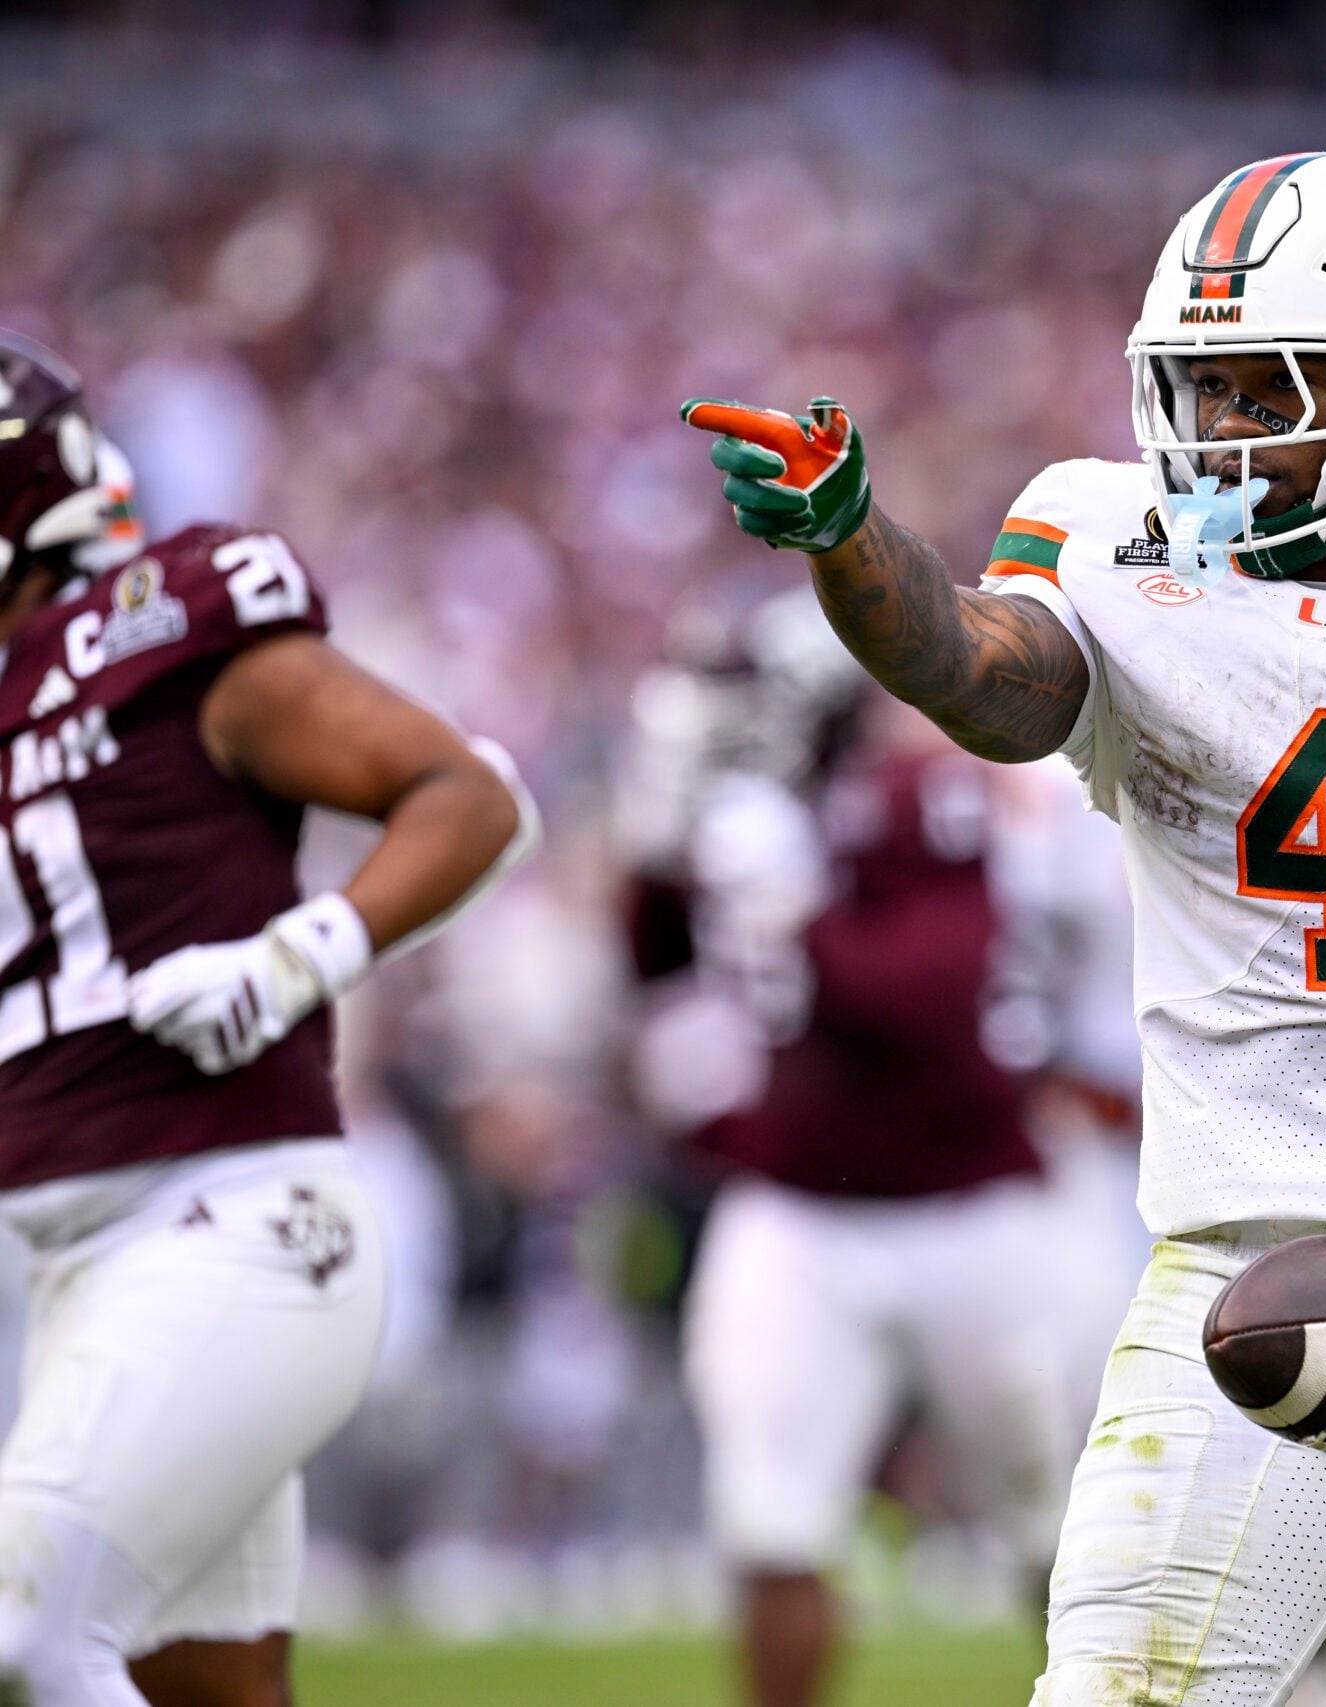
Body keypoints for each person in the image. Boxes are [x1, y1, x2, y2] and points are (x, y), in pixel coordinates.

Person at [683, 151, 1326, 1705]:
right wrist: (850, 539)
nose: (1217, 430)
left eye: (1265, 385)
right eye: (1198, 385)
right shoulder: (1115, 547)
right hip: (1230, 1257)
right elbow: (982, 668)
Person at [0, 330, 537, 1706]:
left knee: (23, 1631)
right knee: (214, 1692)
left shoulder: (152, 627)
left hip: (222, 1221)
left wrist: (294, 957)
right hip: (44, 1261)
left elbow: (469, 795)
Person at [615, 593, 1070, 1707]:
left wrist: (800, 912)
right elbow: (659, 985)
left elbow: (929, 1001)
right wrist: (658, 867)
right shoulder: (721, 827)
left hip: (970, 1206)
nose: (717, 734)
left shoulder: (925, 796)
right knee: (770, 1521)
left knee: (1056, 1529)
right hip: (799, 1209)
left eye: (742, 707)